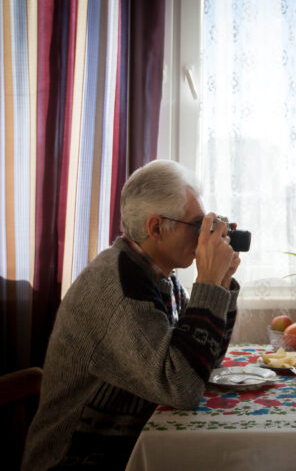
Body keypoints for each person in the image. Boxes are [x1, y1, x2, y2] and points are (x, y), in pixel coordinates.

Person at [22, 160, 241, 470]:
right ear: (155, 228)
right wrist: (207, 284)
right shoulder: (118, 288)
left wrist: (220, 283)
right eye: (197, 225)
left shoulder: (156, 274)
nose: (204, 235)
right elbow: (181, 387)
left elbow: (201, 362)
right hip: (73, 458)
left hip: (121, 447)